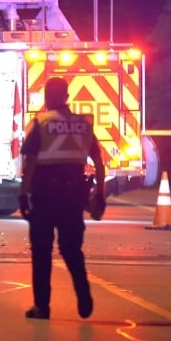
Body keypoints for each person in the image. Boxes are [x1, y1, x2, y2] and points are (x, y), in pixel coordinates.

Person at [18, 77, 105, 320]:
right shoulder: (83, 124)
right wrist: (100, 194)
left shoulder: (42, 123)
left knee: (42, 251)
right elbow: (98, 162)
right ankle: (83, 292)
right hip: (73, 195)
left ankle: (42, 307)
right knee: (71, 248)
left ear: (47, 96)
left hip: (45, 195)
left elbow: (31, 163)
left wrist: (23, 195)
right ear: (67, 96)